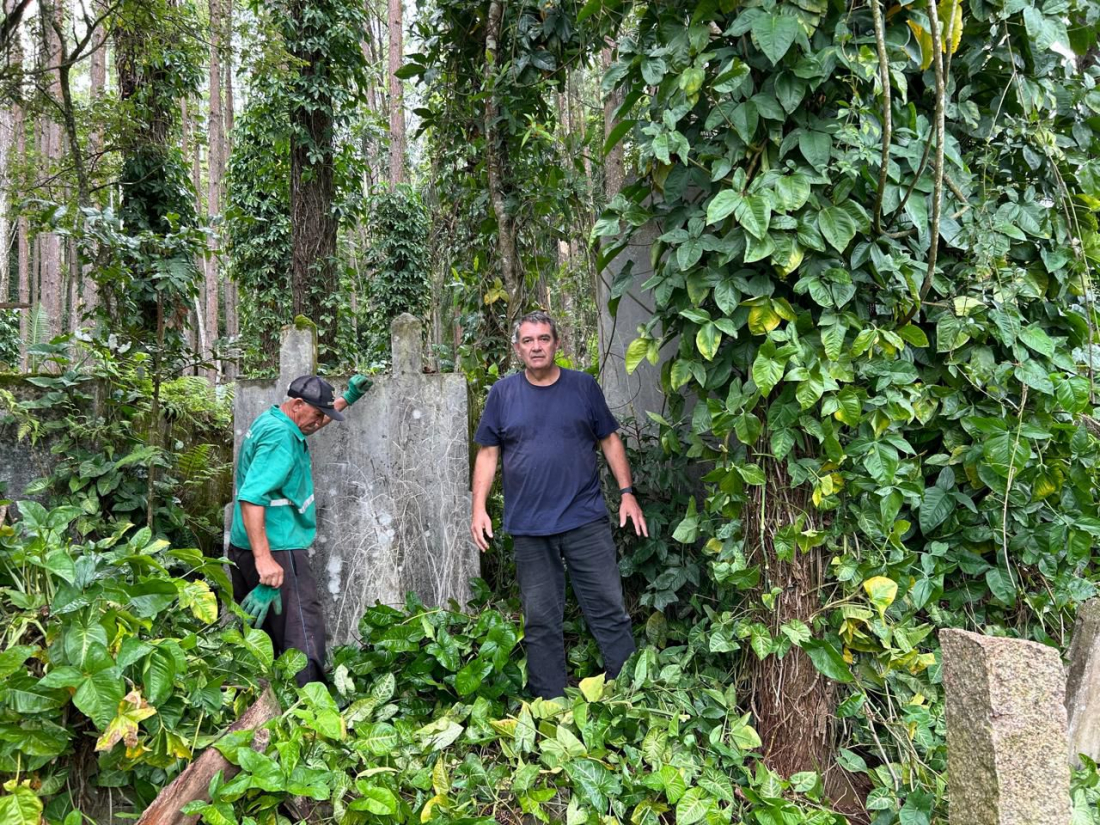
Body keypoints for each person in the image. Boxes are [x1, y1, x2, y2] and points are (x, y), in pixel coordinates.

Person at [471, 310, 648, 699]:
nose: (536, 347)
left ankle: (631, 695)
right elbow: (488, 453)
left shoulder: (583, 387)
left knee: (608, 609)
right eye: (528, 340)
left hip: (584, 520)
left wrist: (627, 493)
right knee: (540, 621)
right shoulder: (503, 394)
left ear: (557, 343)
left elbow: (610, 440)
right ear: (517, 348)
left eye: (543, 339)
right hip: (529, 527)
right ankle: (548, 703)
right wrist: (478, 508)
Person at [229, 373, 371, 686]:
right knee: (303, 633)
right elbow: (251, 497)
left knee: (263, 636)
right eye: (317, 414)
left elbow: (310, 423)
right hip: (278, 547)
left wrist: (347, 398)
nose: (319, 422)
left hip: (246, 544)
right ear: (297, 404)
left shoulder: (273, 421)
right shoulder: (281, 438)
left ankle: (266, 701)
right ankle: (311, 706)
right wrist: (265, 561)